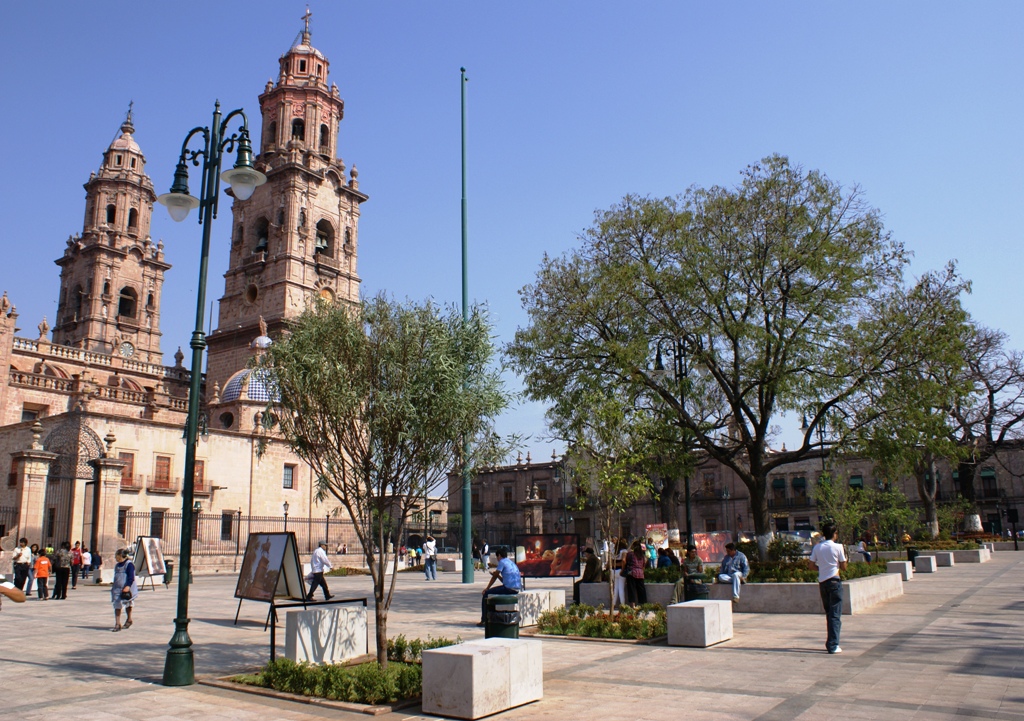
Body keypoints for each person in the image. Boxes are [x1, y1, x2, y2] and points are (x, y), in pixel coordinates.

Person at [809, 522, 847, 654]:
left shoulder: (817, 547)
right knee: (835, 614)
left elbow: (811, 565)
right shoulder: (838, 547)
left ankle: (831, 641)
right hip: (835, 581)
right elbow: (843, 566)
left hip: (823, 582)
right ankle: (833, 644)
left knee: (829, 613)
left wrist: (822, 569)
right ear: (834, 534)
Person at [480, 547, 522, 625]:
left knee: (486, 594)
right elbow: (505, 581)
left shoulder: (502, 562)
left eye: (497, 557)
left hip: (508, 589)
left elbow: (495, 577)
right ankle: (489, 617)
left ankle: (484, 620)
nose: (497, 559)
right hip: (515, 588)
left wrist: (487, 588)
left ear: (499, 555)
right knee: (493, 593)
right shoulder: (510, 562)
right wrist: (498, 576)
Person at [111, 548, 138, 631]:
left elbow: (131, 577)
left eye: (117, 556)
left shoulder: (129, 564)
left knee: (128, 604)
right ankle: (117, 623)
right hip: (117, 589)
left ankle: (129, 619)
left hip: (126, 589)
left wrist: (128, 586)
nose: (116, 558)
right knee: (117, 605)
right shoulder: (117, 565)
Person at [624, 541, 647, 605]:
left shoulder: (631, 554)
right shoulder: (642, 556)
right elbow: (644, 565)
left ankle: (633, 604)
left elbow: (626, 561)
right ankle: (643, 603)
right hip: (640, 573)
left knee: (632, 589)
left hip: (632, 572)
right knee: (641, 589)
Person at [613, 539, 629, 607]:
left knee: (615, 588)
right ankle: (622, 604)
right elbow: (623, 560)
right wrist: (622, 569)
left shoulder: (614, 551)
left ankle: (613, 604)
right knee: (621, 588)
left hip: (613, 570)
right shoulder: (624, 551)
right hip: (620, 571)